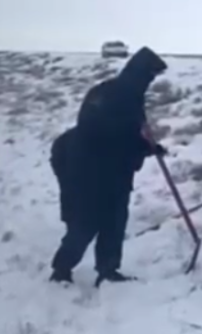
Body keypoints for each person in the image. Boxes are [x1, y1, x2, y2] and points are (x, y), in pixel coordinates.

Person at [50, 46, 168, 286]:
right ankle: (61, 269)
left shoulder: (129, 95)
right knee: (86, 222)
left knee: (114, 222)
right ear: (140, 72)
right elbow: (103, 133)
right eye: (150, 75)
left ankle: (108, 270)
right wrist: (142, 148)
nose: (151, 81)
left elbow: (129, 134)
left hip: (114, 173)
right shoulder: (112, 94)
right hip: (89, 171)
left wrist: (148, 146)